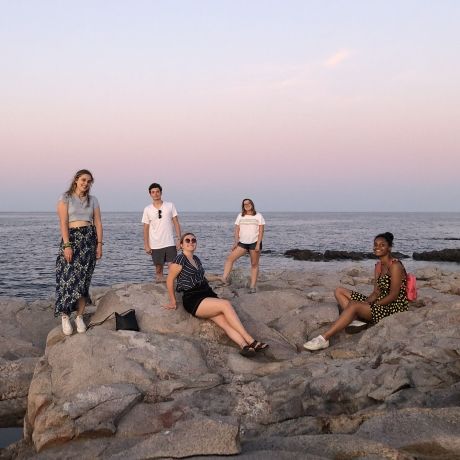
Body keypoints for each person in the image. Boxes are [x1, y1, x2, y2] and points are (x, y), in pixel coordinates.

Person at [165, 233, 269, 357]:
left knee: (224, 322)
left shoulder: (196, 259)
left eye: (193, 240)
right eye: (187, 240)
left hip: (206, 293)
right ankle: (251, 341)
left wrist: (217, 278)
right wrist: (172, 301)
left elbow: (201, 277)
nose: (191, 242)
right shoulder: (180, 259)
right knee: (225, 304)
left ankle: (244, 346)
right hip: (193, 298)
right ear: (181, 245)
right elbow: (170, 280)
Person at [303, 232, 409, 351]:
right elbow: (376, 292)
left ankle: (324, 339)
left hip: (394, 307)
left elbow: (394, 295)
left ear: (389, 248)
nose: (377, 247)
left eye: (382, 245)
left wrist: (370, 306)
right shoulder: (378, 266)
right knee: (339, 291)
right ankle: (356, 321)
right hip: (379, 301)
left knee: (354, 305)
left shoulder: (395, 266)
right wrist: (366, 304)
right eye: (375, 244)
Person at [55, 169, 103, 335]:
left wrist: (99, 244)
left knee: (83, 280)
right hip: (72, 239)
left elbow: (98, 223)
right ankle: (65, 316)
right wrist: (67, 245)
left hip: (89, 240)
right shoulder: (65, 197)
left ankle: (79, 316)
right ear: (76, 180)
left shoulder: (93, 200)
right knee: (67, 278)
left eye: (89, 181)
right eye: (83, 180)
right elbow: (63, 222)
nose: (86, 183)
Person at [222, 198, 265, 293]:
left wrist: (258, 244)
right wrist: (236, 242)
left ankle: (252, 286)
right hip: (242, 243)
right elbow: (237, 230)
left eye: (248, 203)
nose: (247, 205)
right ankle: (223, 280)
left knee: (254, 264)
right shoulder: (240, 216)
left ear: (252, 204)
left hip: (254, 243)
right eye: (245, 204)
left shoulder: (258, 216)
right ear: (243, 206)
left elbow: (261, 231)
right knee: (230, 259)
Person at [142, 183, 181, 282]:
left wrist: (179, 239)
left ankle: (173, 288)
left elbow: (176, 222)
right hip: (155, 244)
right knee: (159, 270)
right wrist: (146, 245)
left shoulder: (170, 205)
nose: (155, 194)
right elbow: (146, 228)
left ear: (161, 193)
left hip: (169, 243)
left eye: (157, 192)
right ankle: (160, 290)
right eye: (153, 192)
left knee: (173, 268)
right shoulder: (147, 209)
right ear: (150, 194)